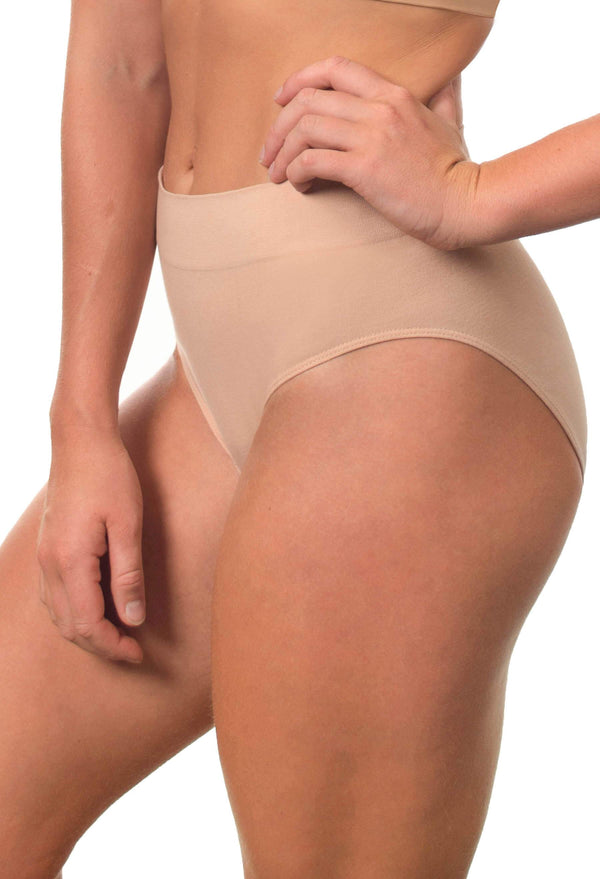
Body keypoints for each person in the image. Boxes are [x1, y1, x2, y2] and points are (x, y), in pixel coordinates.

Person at [0, 0, 597, 877]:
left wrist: (477, 194)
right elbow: (123, 65)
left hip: (401, 361)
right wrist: (80, 420)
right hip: (214, 370)